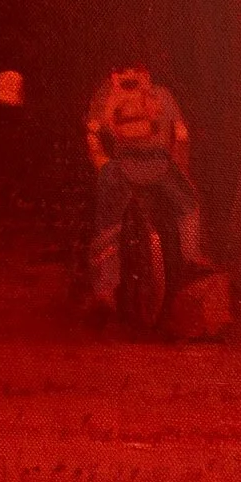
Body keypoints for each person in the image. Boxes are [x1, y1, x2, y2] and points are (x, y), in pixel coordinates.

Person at [83, 61, 207, 318]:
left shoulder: (110, 95)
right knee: (187, 206)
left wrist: (101, 163)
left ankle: (106, 289)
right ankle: (191, 259)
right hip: (153, 164)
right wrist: (179, 167)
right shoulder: (157, 95)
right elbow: (181, 135)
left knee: (108, 225)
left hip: (131, 165)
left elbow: (93, 133)